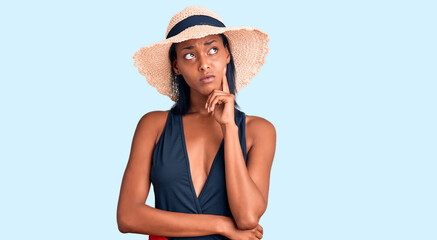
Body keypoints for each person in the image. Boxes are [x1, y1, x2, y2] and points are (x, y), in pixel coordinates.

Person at [117, 6, 276, 240]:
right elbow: (128, 217)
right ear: (176, 66)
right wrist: (221, 225)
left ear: (227, 55)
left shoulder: (259, 131)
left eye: (212, 49)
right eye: (189, 55)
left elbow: (248, 218)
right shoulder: (154, 125)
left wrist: (230, 129)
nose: (203, 64)